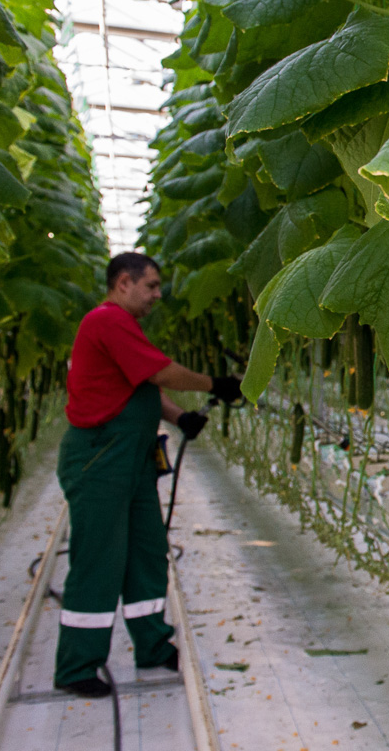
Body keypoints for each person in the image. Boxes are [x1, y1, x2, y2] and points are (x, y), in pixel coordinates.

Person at [53, 252, 242, 697]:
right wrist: (216, 383)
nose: (158, 294)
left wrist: (179, 418)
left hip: (130, 459)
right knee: (99, 557)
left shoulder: (122, 327)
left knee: (146, 550)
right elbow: (162, 372)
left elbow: (140, 387)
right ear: (123, 282)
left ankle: (153, 645)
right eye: (152, 285)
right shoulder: (106, 320)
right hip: (99, 459)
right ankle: (77, 665)